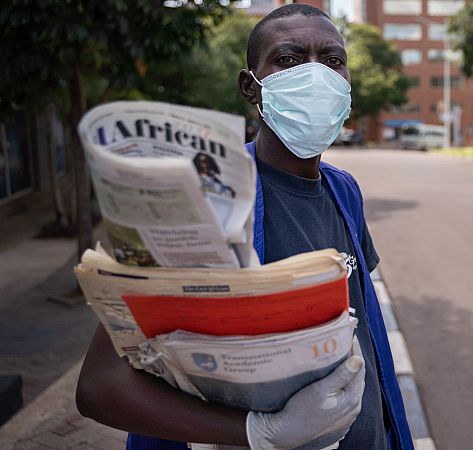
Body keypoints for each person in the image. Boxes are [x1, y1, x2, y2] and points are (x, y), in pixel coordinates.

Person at [75, 4, 413, 450]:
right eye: (288, 59)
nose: (317, 76)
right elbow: (101, 387)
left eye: (332, 61)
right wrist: (259, 434)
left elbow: (364, 332)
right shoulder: (202, 200)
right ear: (250, 87)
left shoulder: (344, 190)